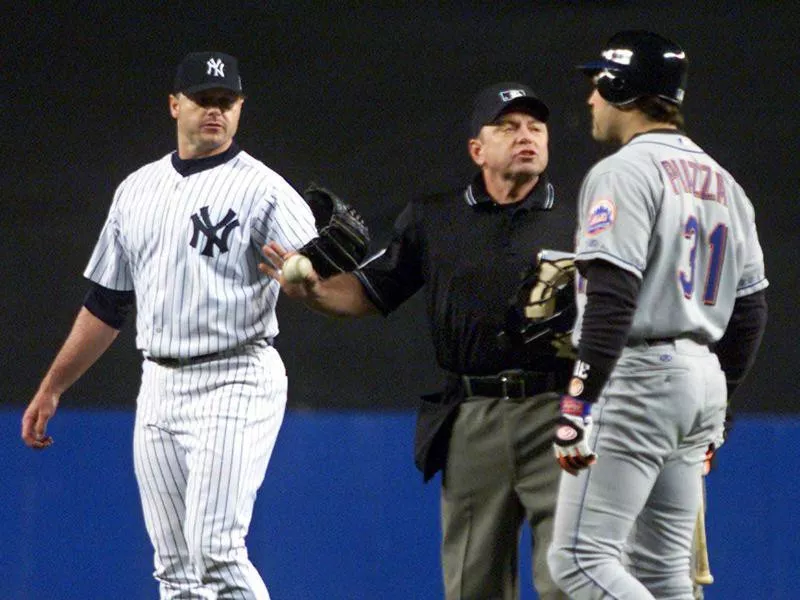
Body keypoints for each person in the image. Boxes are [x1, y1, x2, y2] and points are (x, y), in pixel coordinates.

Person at [21, 51, 318, 599]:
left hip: (237, 375)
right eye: (204, 99)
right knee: (176, 569)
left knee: (216, 553)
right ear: (174, 104)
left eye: (226, 102)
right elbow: (107, 303)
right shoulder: (136, 191)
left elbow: (321, 269)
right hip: (158, 383)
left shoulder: (265, 190)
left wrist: (313, 281)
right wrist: (52, 386)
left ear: (240, 108)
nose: (215, 111)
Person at [260, 82, 574, 600]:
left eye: (535, 128)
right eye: (508, 126)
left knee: (571, 579)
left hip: (559, 412)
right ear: (478, 149)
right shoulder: (436, 217)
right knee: (473, 585)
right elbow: (369, 291)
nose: (526, 137)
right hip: (473, 416)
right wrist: (312, 289)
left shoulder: (583, 217)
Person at [545, 30, 768, 599]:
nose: (590, 98)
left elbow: (613, 298)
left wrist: (577, 402)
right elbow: (749, 312)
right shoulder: (726, 184)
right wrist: (719, 404)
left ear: (620, 86)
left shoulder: (623, 172)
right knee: (664, 574)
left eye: (599, 83)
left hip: (641, 377)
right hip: (701, 384)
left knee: (578, 558)